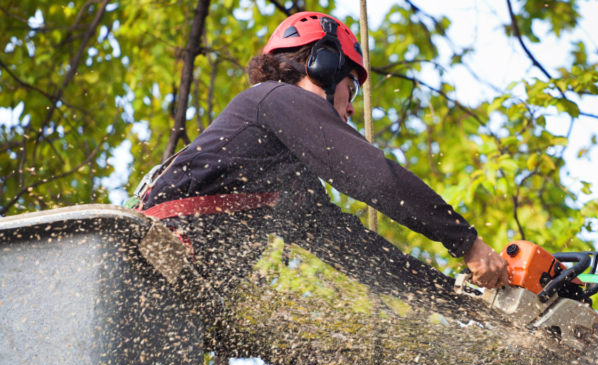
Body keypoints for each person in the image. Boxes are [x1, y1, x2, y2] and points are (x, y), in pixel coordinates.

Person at [135, 11, 509, 298]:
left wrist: (456, 298)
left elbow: (358, 253)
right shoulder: (275, 99)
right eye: (352, 88)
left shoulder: (287, 181)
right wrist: (467, 242)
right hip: (147, 264)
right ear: (324, 66)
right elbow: (374, 177)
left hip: (170, 289)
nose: (350, 109)